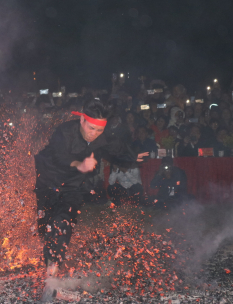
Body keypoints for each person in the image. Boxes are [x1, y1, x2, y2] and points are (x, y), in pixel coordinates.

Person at [34, 99, 148, 301]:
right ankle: (50, 277)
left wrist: (133, 157)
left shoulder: (102, 137)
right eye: (91, 128)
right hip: (48, 183)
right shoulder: (64, 132)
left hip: (73, 188)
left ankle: (50, 282)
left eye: (99, 130)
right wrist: (79, 164)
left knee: (63, 224)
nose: (94, 134)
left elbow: (118, 148)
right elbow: (59, 157)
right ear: (81, 121)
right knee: (46, 230)